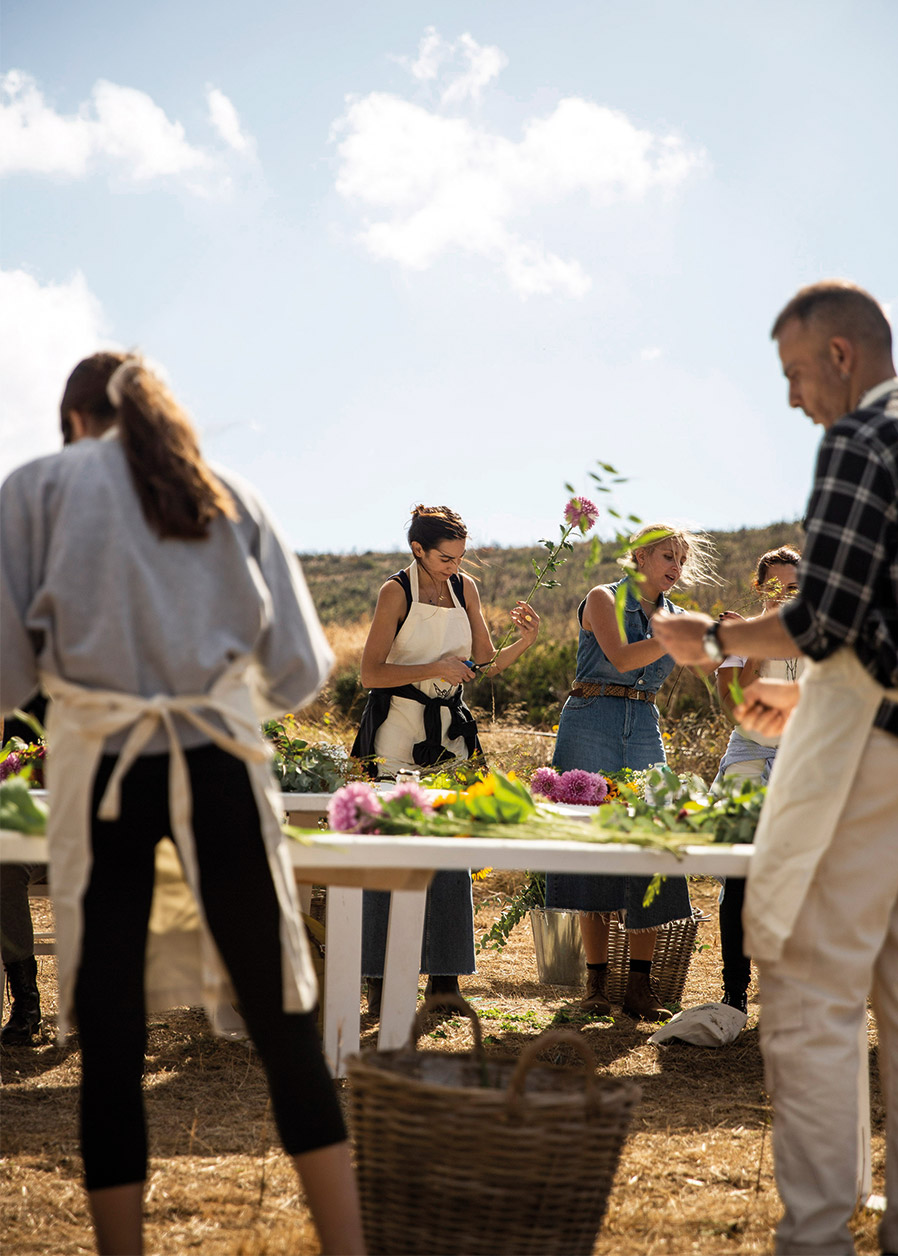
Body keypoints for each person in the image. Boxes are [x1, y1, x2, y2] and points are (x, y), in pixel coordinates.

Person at [0, 353, 365, 1256]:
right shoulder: (224, 489)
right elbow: (299, 668)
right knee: (282, 1017)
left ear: (75, 420)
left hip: (104, 769)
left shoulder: (37, 488)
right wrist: (215, 693)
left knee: (111, 1033)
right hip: (221, 764)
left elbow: (5, 672)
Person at [652, 280, 898, 1256]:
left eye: (797, 373)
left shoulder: (862, 438)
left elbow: (825, 617)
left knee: (807, 988)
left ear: (842, 355)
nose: (794, 398)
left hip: (871, 764)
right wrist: (807, 699)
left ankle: (815, 1236)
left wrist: (710, 637)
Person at [352, 504, 539, 1015]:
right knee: (390, 853)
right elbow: (370, 674)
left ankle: (444, 983)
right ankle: (379, 982)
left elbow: (483, 664)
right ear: (418, 550)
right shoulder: (396, 592)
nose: (455, 566)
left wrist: (524, 643)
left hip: (450, 740)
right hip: (397, 732)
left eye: (460, 557)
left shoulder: (465, 588)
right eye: (445, 558)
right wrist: (434, 667)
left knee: (450, 855)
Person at [544, 524, 715, 1021]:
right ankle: (595, 985)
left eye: (681, 559)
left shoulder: (676, 616)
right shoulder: (603, 598)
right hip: (591, 718)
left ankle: (640, 988)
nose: (676, 567)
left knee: (650, 842)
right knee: (592, 846)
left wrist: (719, 637)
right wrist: (675, 635)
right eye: (667, 556)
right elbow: (620, 659)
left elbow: (706, 665)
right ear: (639, 557)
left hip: (643, 723)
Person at [713, 546, 801, 1015]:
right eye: (774, 587)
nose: (784, 595)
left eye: (794, 588)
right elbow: (733, 707)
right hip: (750, 755)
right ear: (758, 587)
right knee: (741, 873)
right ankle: (735, 991)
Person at [0, 699, 49, 1046]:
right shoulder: (20, 693)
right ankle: (26, 1003)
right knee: (5, 869)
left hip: (91, 835)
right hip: (32, 832)